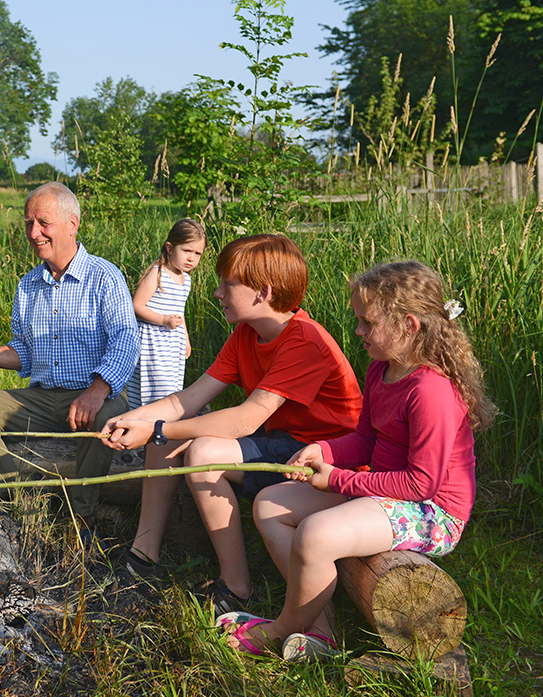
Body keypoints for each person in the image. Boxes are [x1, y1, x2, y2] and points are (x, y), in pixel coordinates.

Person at [219, 260, 494, 661]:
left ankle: (279, 630)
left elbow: (422, 485)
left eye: (367, 322)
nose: (358, 331)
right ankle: (321, 629)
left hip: (432, 512)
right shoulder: (382, 368)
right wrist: (325, 452)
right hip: (389, 491)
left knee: (316, 534)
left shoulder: (430, 392)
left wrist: (337, 480)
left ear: (408, 325)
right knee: (270, 504)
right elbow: (365, 438)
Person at [103, 234, 361, 614]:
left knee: (199, 448)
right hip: (282, 440)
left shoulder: (304, 339)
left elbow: (247, 417)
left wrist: (158, 429)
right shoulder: (246, 334)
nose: (217, 292)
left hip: (324, 456)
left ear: (263, 292)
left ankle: (236, 585)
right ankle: (143, 555)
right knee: (165, 431)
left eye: (228, 283)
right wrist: (135, 420)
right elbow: (188, 398)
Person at [0, 182, 139, 529]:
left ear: (72, 224)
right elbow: (25, 353)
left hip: (94, 393)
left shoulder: (104, 277)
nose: (34, 233)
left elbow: (126, 340)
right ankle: (9, 502)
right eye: (28, 223)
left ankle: (82, 517)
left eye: (43, 222)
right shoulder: (28, 285)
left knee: (107, 415)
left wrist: (97, 391)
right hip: (43, 398)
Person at [126, 218, 206, 410]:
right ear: (170, 248)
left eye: (197, 254)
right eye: (186, 251)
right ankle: (147, 422)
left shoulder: (186, 280)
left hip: (172, 343)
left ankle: (162, 424)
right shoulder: (158, 273)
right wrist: (163, 320)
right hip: (153, 342)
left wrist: (185, 337)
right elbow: (137, 305)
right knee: (155, 388)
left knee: (171, 388)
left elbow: (180, 311)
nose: (191, 259)